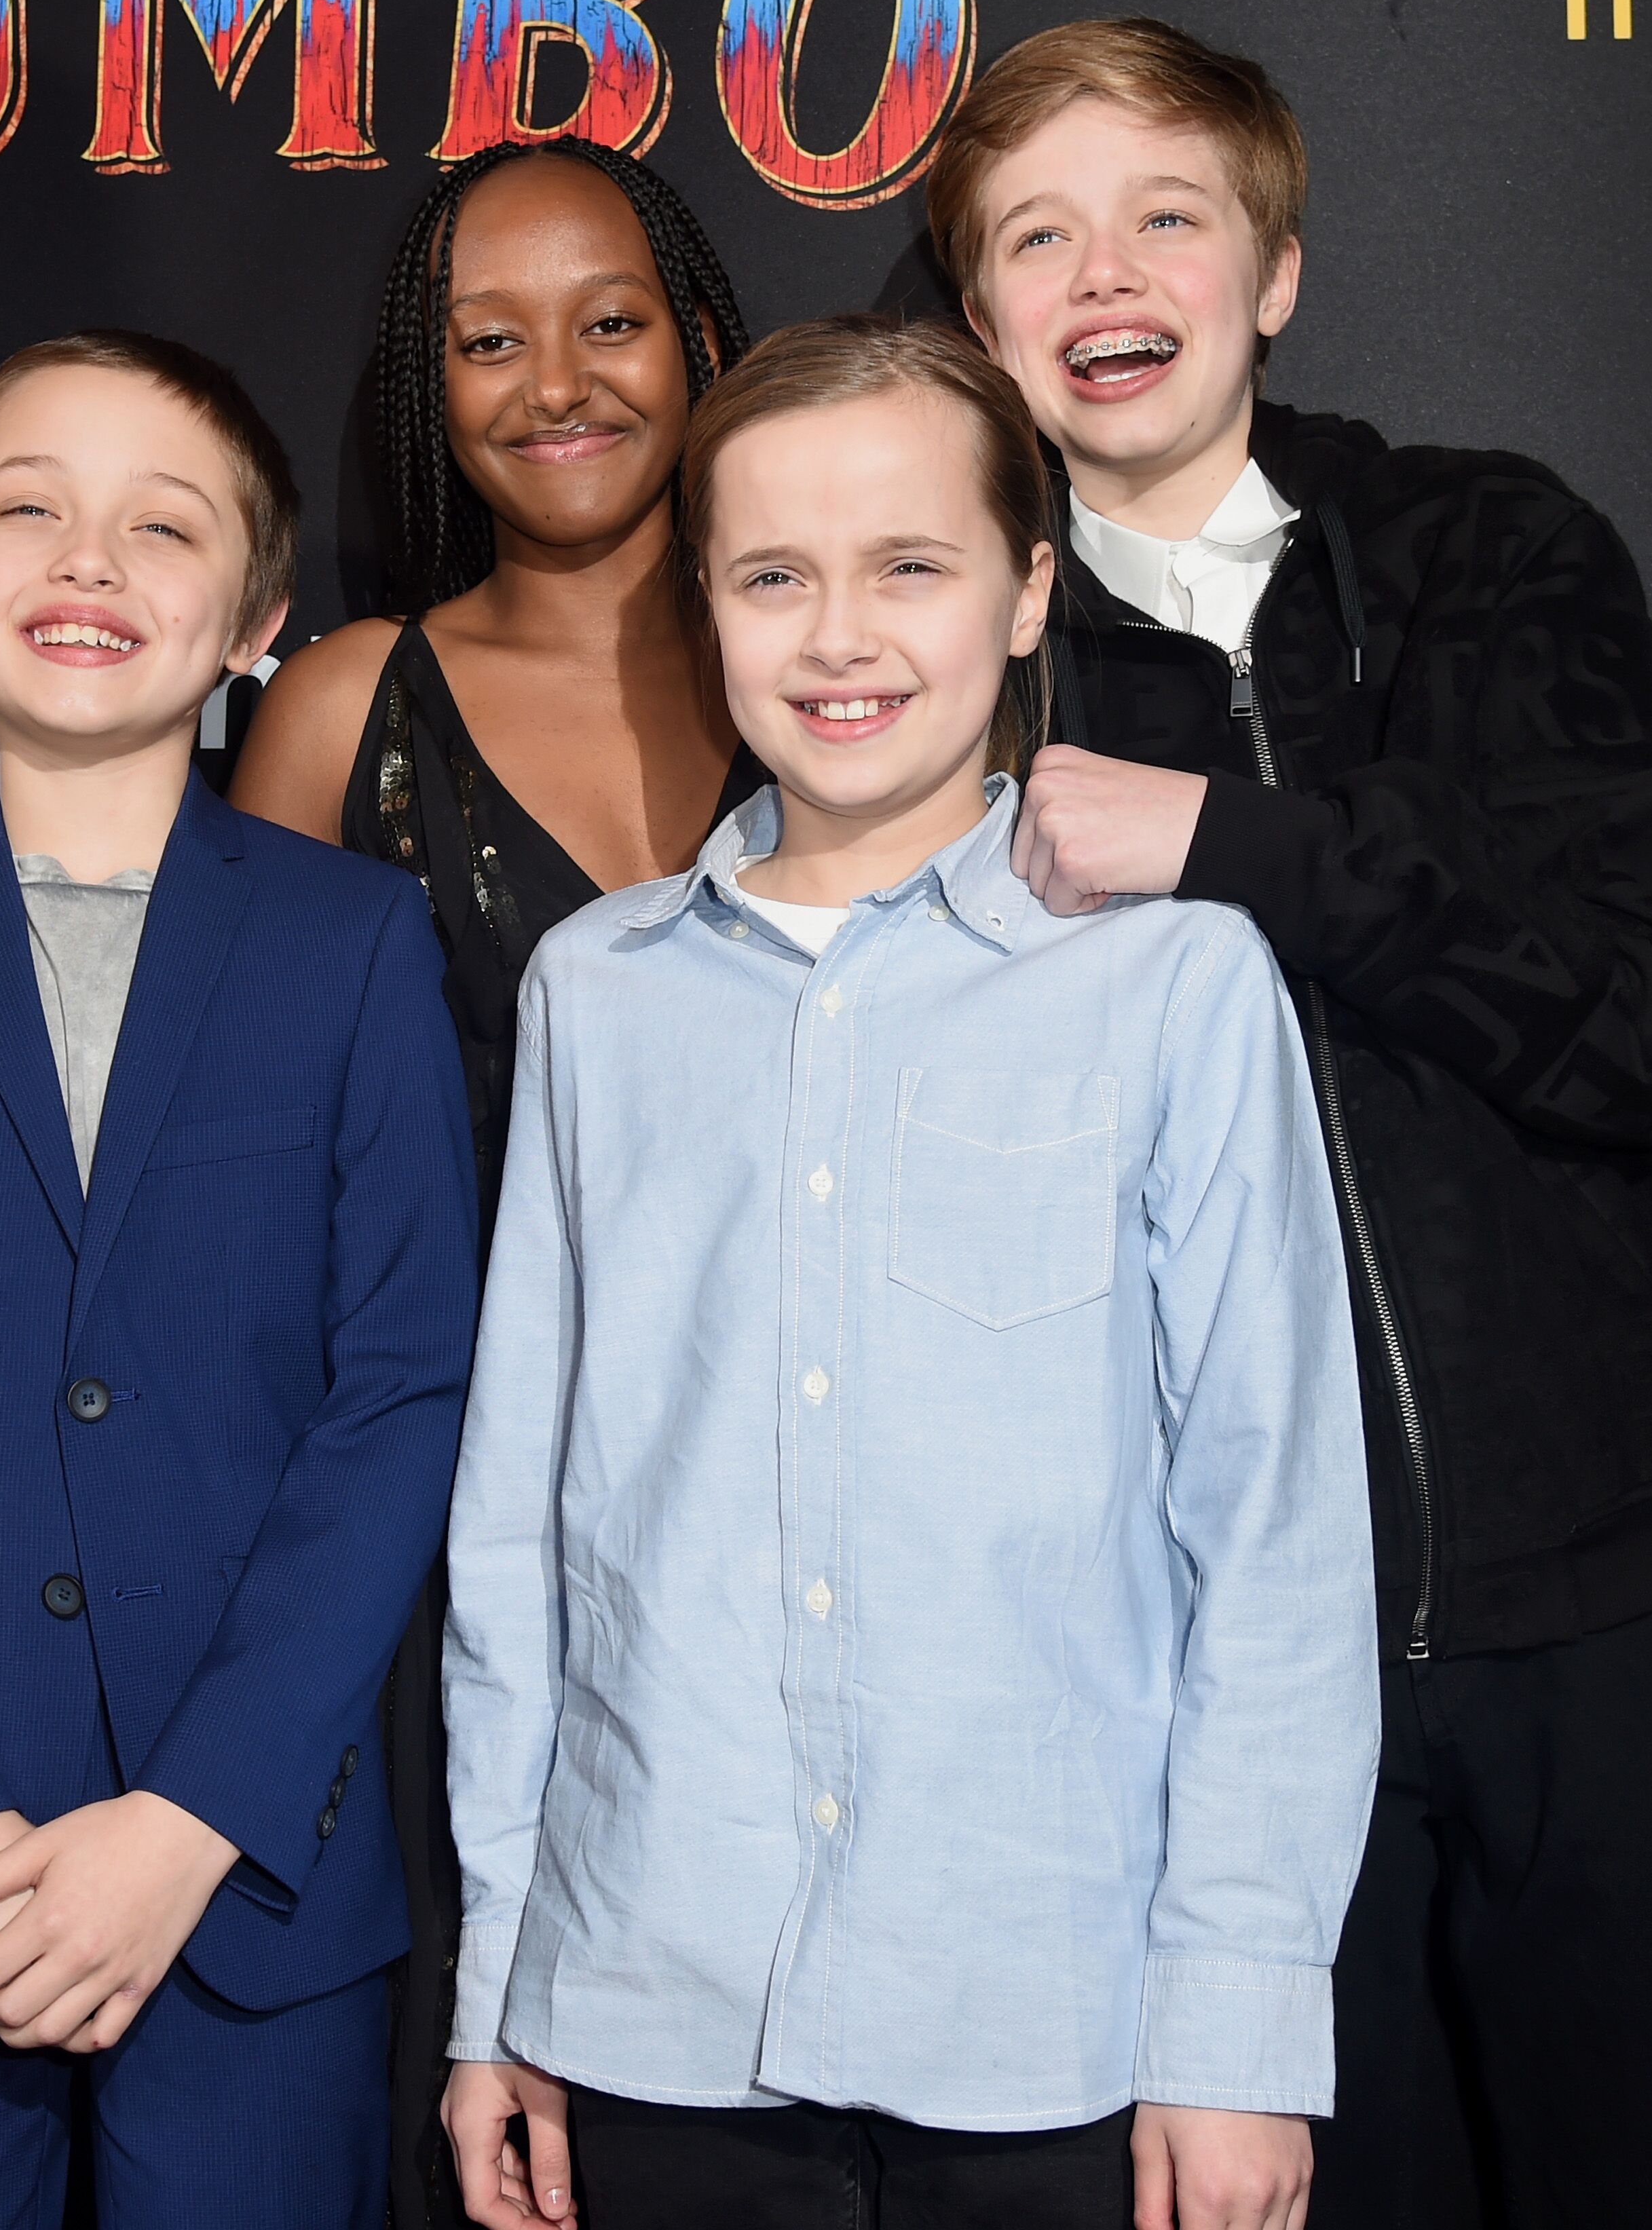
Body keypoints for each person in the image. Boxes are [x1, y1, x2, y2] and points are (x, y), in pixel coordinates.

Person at [918, 16, 1652, 2225]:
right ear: (982, 316)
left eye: (1165, 216)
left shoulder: (1491, 547)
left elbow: (1646, 1029)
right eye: (1039, 235)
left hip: (1620, 1617)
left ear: (1272, 274)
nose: (1107, 275)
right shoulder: (949, 666)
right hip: (1220, 1695)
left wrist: (1245, 848)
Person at [441, 316, 1379, 2230]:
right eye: (774, 577)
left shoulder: (1175, 985)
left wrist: (1237, 2032)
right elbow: (522, 1545)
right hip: (651, 2004)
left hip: (1060, 2023)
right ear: (701, 606)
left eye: (912, 569)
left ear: (1030, 594)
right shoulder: (596, 998)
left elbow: (1274, 1541)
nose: (840, 637)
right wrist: (500, 1986)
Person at [0, 333, 478, 2230]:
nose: (88, 562)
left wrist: (195, 1815)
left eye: (162, 526)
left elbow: (405, 1399)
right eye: (29, 511)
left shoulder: (359, 945)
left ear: (256, 620)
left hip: (246, 1878)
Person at [231, 138, 759, 2224]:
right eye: (489, 337)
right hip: (465, 1569)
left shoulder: (852, 664)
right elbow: (237, 1175)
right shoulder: (356, 705)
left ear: (703, 335)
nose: (560, 379)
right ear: (423, 388)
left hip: (805, 1519)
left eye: (612, 319)